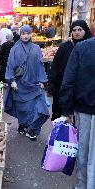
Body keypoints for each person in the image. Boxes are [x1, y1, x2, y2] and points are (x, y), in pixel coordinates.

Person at [59, 37, 95, 189]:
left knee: (84, 153)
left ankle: (82, 185)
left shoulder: (82, 47)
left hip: (84, 108)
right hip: (85, 108)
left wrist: (67, 109)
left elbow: (68, 79)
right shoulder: (82, 47)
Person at [4, 25, 49, 140]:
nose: (25, 36)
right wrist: (12, 80)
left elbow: (40, 65)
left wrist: (42, 80)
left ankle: (34, 130)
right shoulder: (15, 48)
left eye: (28, 33)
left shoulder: (36, 48)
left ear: (31, 34)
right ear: (20, 34)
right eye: (23, 33)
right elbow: (10, 65)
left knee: (41, 109)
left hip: (34, 85)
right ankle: (23, 125)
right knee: (23, 110)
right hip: (19, 85)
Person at [49, 20, 92, 120]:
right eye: (74, 30)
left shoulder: (90, 47)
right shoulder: (65, 46)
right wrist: (51, 82)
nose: (77, 32)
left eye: (80, 30)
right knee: (60, 116)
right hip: (63, 85)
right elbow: (56, 64)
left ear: (85, 30)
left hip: (83, 88)